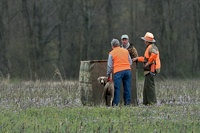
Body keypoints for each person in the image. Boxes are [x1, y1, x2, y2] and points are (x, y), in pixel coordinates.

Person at [132, 32, 160, 105]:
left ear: (147, 41)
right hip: (148, 71)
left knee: (150, 87)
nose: (144, 42)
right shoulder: (149, 48)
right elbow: (145, 59)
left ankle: (152, 103)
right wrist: (137, 58)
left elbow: (154, 55)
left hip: (151, 70)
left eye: (145, 40)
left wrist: (148, 63)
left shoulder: (151, 47)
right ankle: (146, 103)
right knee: (146, 88)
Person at [107, 39, 132, 106]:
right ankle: (127, 104)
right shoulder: (126, 51)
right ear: (119, 44)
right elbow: (130, 62)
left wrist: (108, 74)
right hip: (127, 70)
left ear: (112, 46)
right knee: (127, 88)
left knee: (116, 88)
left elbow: (109, 66)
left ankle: (116, 104)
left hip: (118, 71)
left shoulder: (111, 53)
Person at [121, 34, 138, 105]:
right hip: (121, 68)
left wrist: (133, 62)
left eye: (125, 40)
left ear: (128, 40)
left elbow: (136, 57)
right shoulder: (120, 48)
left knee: (129, 86)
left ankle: (129, 102)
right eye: (123, 40)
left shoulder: (132, 48)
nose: (124, 41)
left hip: (130, 68)